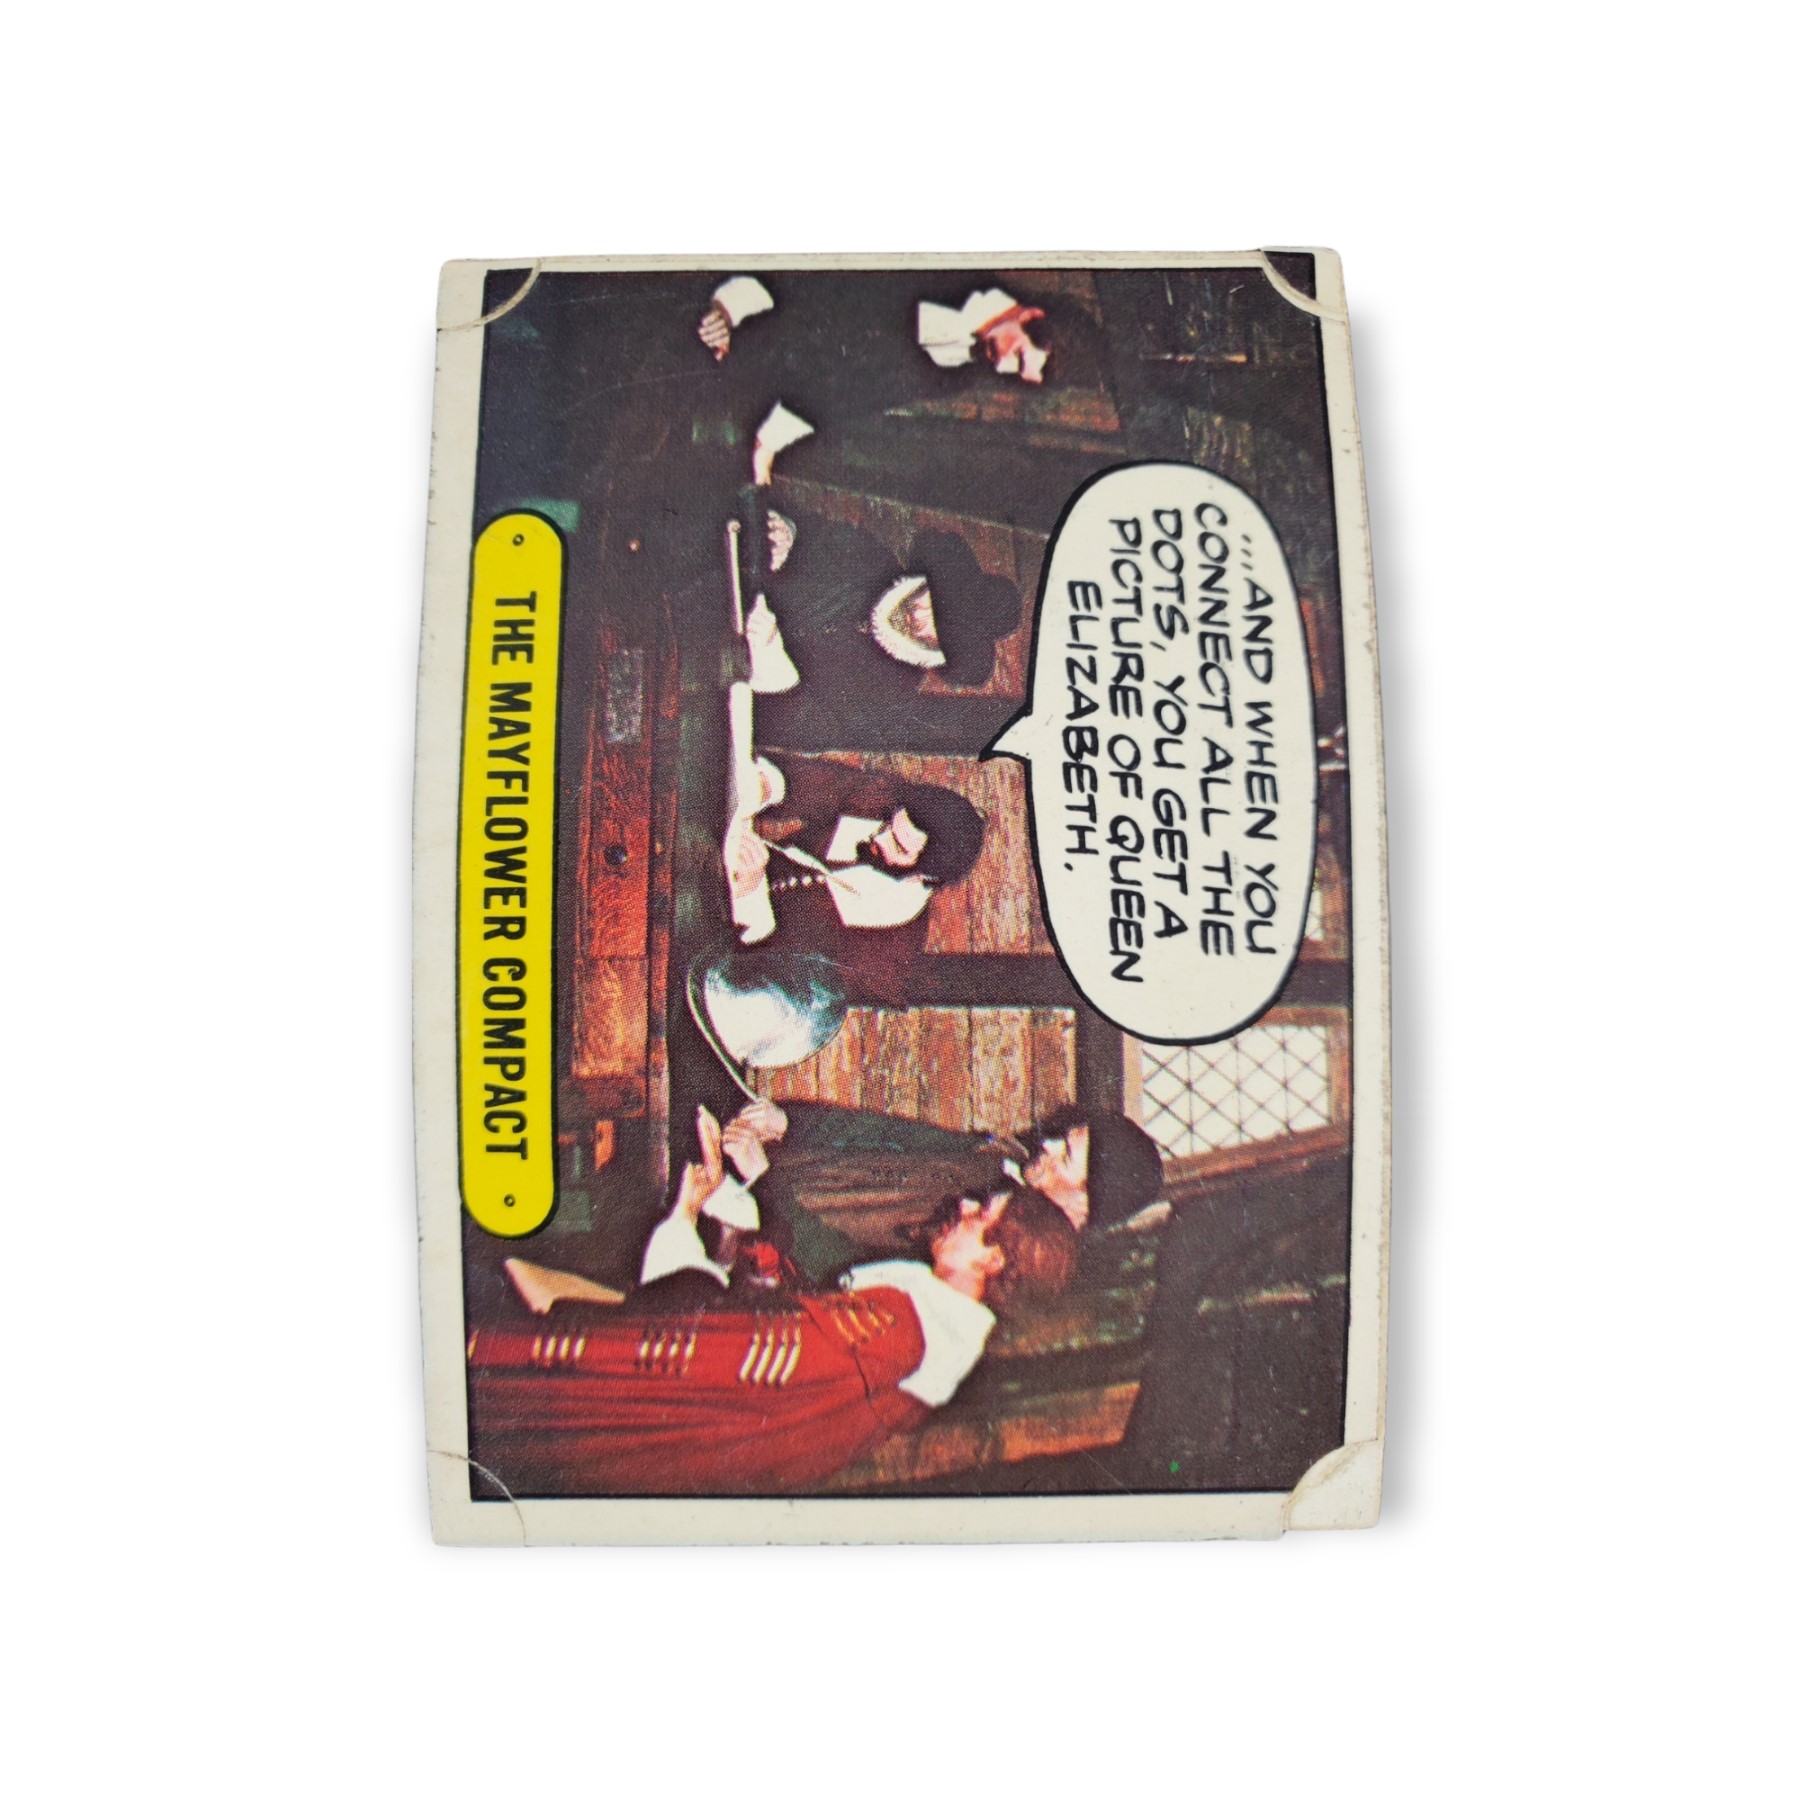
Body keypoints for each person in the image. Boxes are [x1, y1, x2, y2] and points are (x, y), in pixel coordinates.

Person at [465, 1105, 1077, 1495]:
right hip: (675, 1434)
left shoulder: (896, 1329)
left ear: (992, 1261)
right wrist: (707, 1216)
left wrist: (687, 1217)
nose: (965, 1205)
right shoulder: (918, 1333)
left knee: (488, 1287)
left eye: (981, 1215)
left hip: (626, 1401)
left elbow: (718, 1351)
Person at [722, 754, 984, 1002]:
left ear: (923, 877)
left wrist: (750, 891)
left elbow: (777, 974)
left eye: (898, 846)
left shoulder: (885, 956)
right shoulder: (883, 799)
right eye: (889, 825)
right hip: (727, 863)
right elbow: (816, 783)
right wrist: (765, 787)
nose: (879, 837)